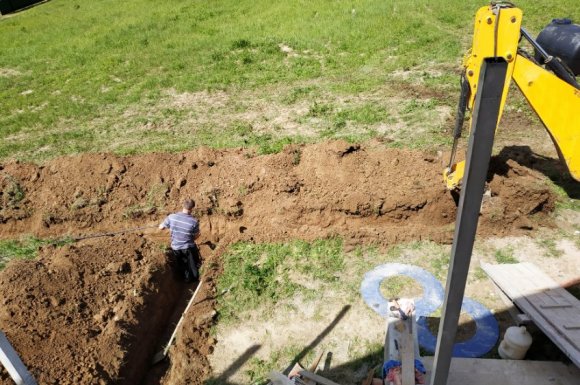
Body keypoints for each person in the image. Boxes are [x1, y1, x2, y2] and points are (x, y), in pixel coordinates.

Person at [159, 199, 201, 282]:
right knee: (192, 264)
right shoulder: (194, 222)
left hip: (176, 248)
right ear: (192, 208)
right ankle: (195, 278)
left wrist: (161, 225)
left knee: (182, 264)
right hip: (188, 247)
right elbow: (196, 236)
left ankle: (185, 278)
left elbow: (161, 227)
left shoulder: (171, 217)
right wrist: (191, 238)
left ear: (183, 206)